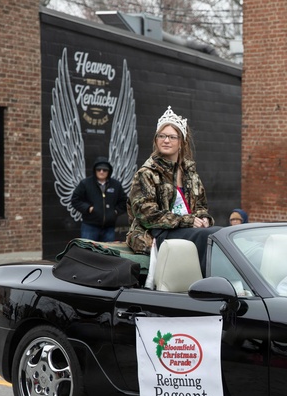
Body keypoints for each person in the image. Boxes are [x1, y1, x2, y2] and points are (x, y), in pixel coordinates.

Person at [127, 106, 220, 273]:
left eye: (171, 137)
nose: (166, 140)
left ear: (181, 142)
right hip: (155, 233)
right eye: (161, 136)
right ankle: (207, 284)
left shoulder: (190, 173)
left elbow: (200, 207)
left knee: (219, 234)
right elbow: (147, 215)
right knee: (204, 236)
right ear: (156, 140)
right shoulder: (147, 173)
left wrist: (203, 218)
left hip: (185, 229)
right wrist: (187, 221)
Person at [70, 156, 128, 242]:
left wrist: (115, 211)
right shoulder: (85, 183)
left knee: (107, 253)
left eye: (105, 170)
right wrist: (88, 208)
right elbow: (75, 200)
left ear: (109, 171)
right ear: (95, 170)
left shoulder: (116, 185)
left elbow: (124, 201)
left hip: (109, 228)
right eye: (99, 169)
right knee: (88, 252)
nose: (101, 172)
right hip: (90, 227)